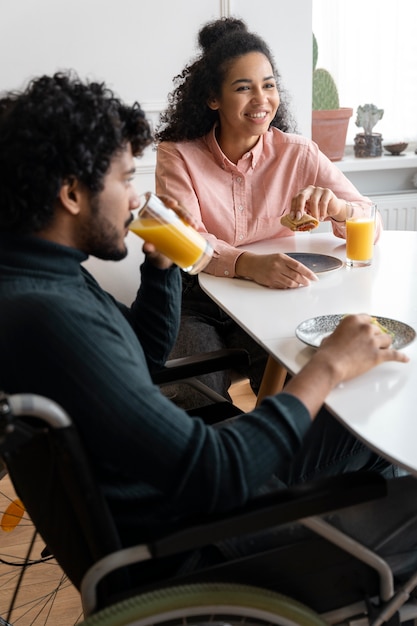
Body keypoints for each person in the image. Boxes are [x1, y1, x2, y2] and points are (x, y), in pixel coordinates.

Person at [0, 72, 412, 583]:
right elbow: (220, 472)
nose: (135, 200)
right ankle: (373, 586)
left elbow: (145, 359)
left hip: (186, 502)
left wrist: (161, 267)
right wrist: (327, 366)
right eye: (126, 179)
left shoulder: (42, 279)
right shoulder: (50, 316)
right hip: (208, 547)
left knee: (367, 427)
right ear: (70, 193)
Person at [155, 17, 384, 408]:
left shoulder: (298, 152)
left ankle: (278, 463)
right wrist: (247, 263)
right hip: (196, 299)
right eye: (244, 88)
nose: (262, 100)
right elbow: (182, 240)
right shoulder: (178, 154)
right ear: (213, 98)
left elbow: (369, 219)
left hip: (273, 298)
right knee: (193, 398)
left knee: (305, 391)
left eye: (269, 85)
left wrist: (340, 209)